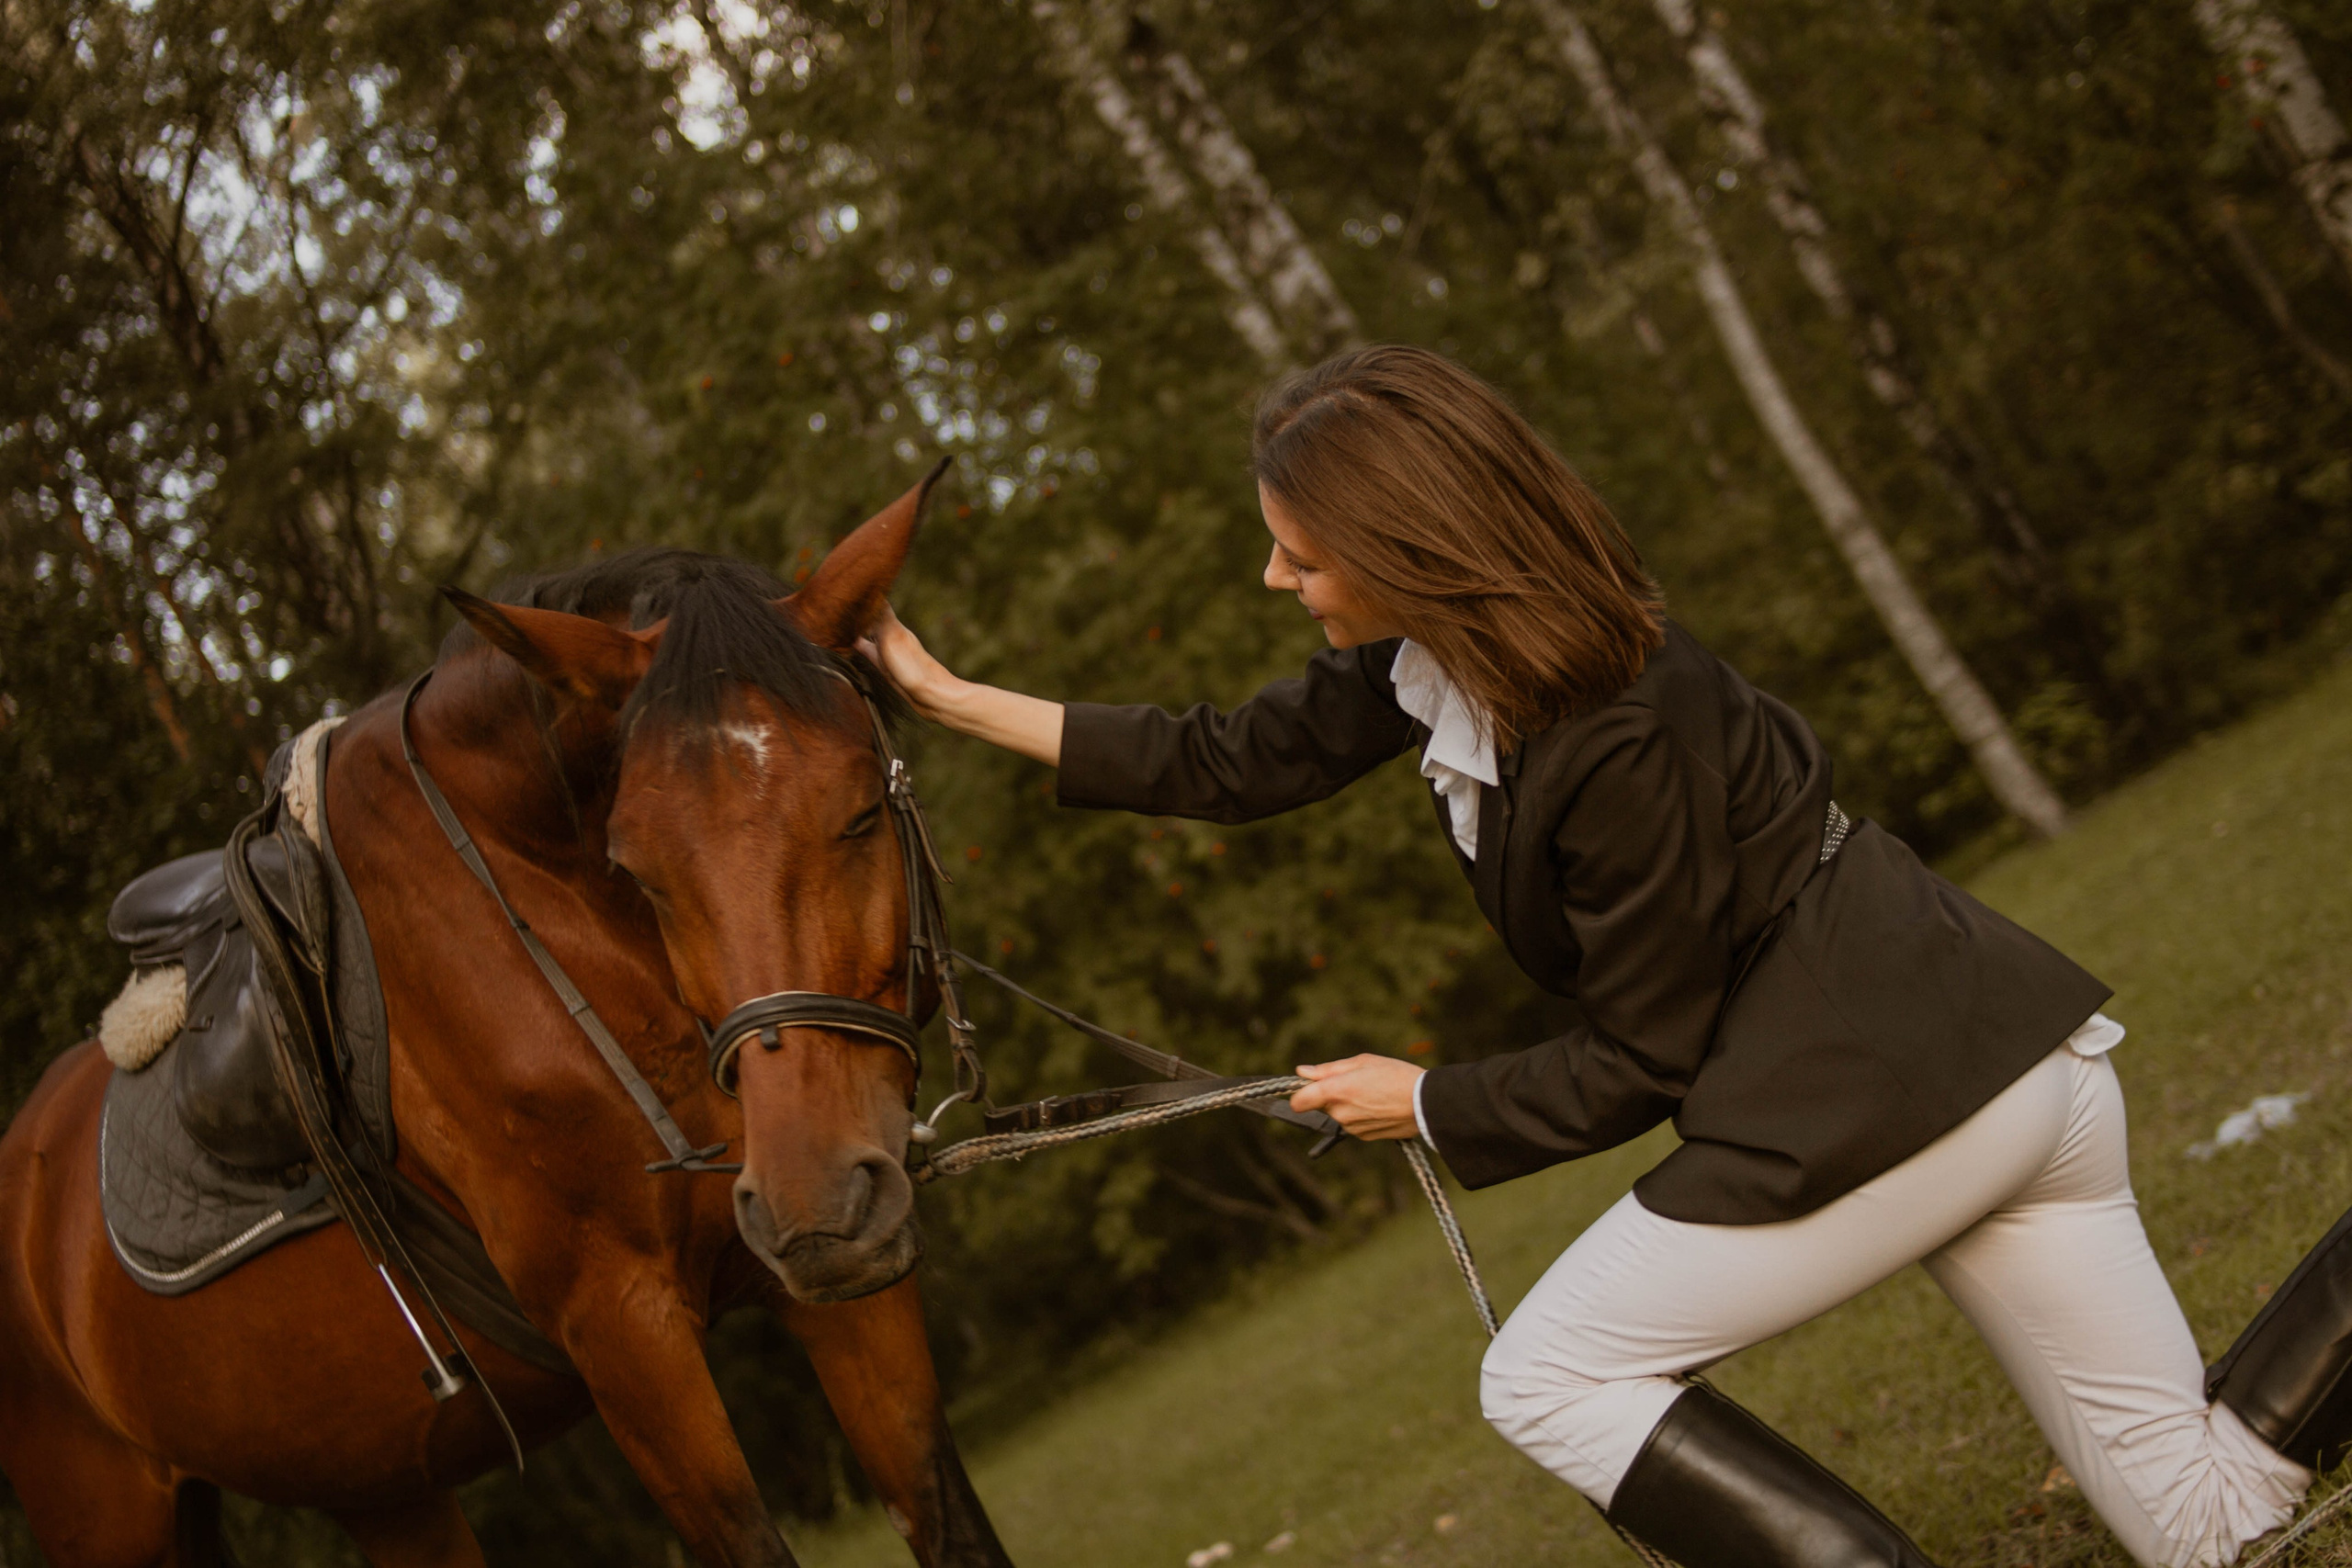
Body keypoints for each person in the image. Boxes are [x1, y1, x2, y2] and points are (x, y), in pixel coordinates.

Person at [861, 344, 2352, 1567]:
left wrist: (1428, 1104)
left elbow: (1648, 1054)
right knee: (2209, 1528)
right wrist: (937, 694)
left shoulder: (1612, 727)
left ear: (1403, 547)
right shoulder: (1437, 661)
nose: (1273, 577)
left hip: (1888, 1098)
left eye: (1299, 552)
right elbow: (1227, 759)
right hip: (2010, 1075)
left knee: (1548, 1375)